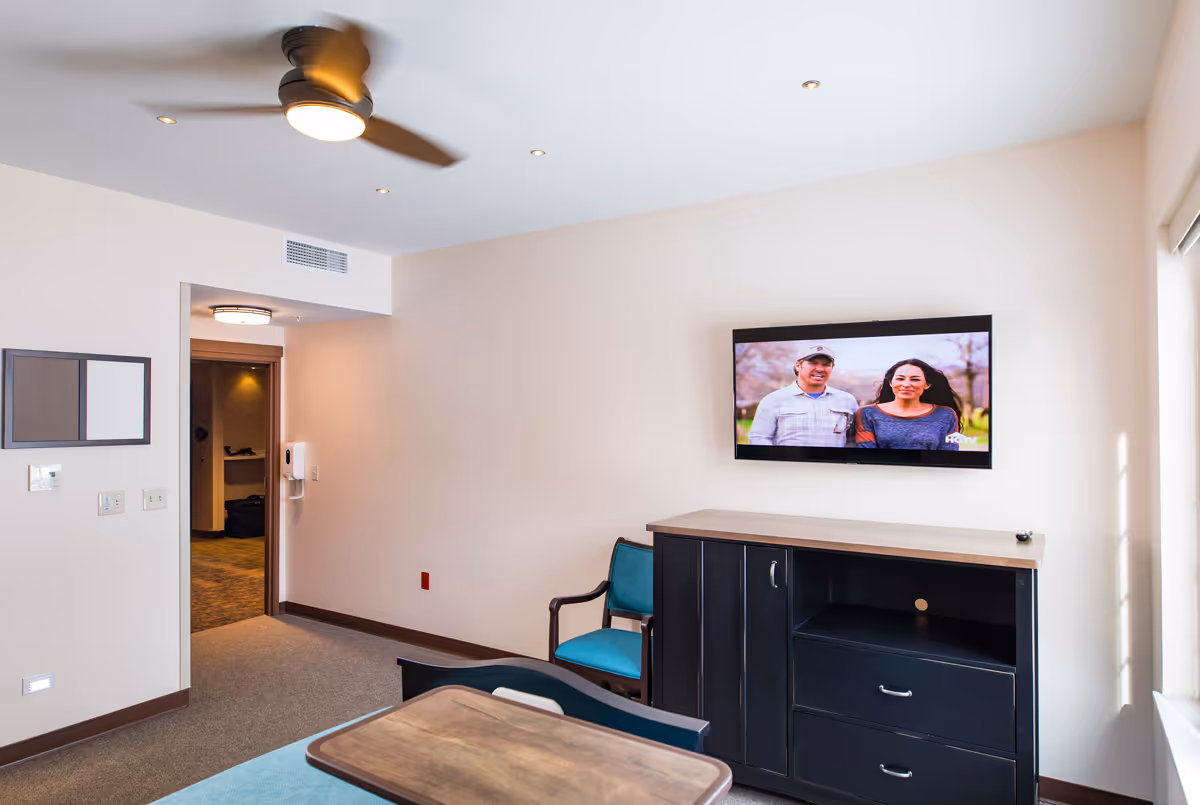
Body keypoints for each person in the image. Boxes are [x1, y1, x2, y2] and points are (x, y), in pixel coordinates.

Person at [748, 345, 858, 447]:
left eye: (826, 364)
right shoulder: (773, 400)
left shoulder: (847, 400)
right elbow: (759, 438)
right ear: (798, 365)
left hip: (833, 467)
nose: (820, 369)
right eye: (813, 363)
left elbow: (853, 440)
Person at [855, 358, 962, 450]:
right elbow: (866, 455)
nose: (906, 384)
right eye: (900, 379)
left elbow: (948, 455)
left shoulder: (946, 414)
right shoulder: (867, 413)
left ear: (927, 385)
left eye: (915, 379)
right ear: (891, 382)